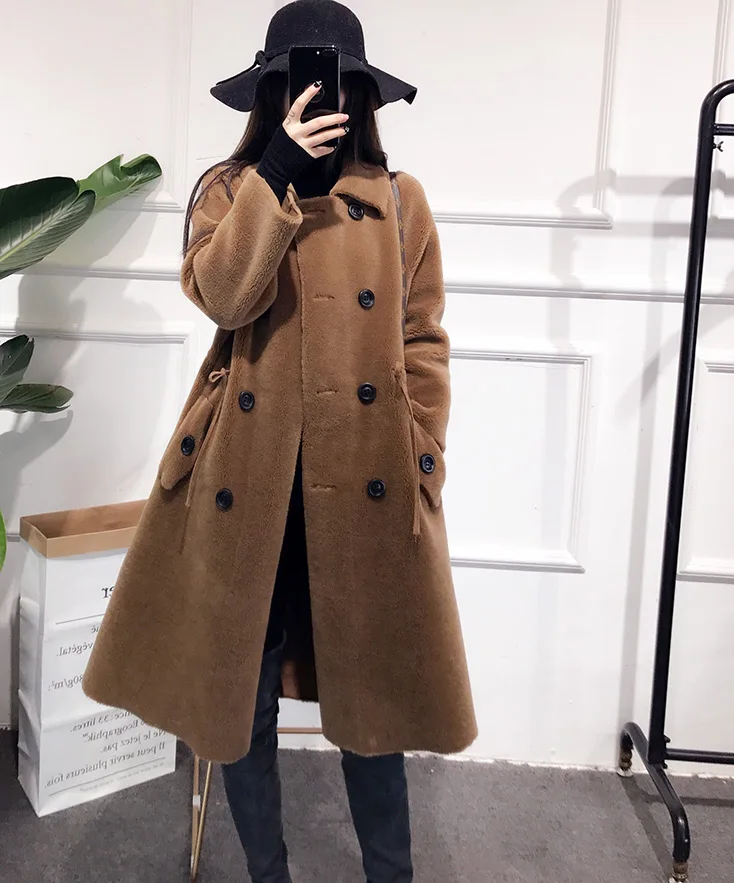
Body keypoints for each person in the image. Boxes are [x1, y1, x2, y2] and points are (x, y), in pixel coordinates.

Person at [82, 2, 477, 881]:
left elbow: (423, 339)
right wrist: (278, 172)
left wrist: (423, 454)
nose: (319, 99)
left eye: (336, 85)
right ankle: (270, 873)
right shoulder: (232, 193)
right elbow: (225, 298)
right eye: (298, 84)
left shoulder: (399, 201)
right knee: (241, 702)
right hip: (248, 483)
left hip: (364, 482)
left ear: (361, 96)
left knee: (373, 705)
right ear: (271, 93)